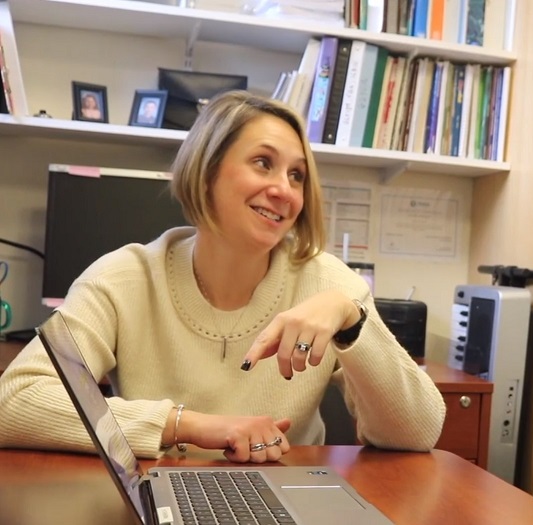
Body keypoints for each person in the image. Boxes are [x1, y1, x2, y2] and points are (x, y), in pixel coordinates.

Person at [0, 90, 446, 463]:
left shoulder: (330, 285)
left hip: (288, 496)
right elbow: (12, 402)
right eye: (263, 163)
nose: (284, 190)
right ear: (207, 169)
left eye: (297, 175)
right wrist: (189, 425)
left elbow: (419, 431)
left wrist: (352, 320)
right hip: (162, 493)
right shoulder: (122, 277)